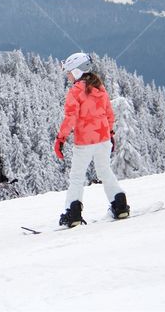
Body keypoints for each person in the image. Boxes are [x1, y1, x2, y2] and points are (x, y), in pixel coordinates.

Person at [54, 52, 130, 227]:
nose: (68, 75)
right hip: (103, 138)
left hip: (85, 142)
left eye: (69, 72)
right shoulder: (100, 89)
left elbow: (70, 118)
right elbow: (109, 114)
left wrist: (60, 139)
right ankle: (120, 206)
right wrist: (110, 133)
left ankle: (72, 214)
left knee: (77, 177)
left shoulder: (75, 92)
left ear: (78, 71)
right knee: (104, 171)